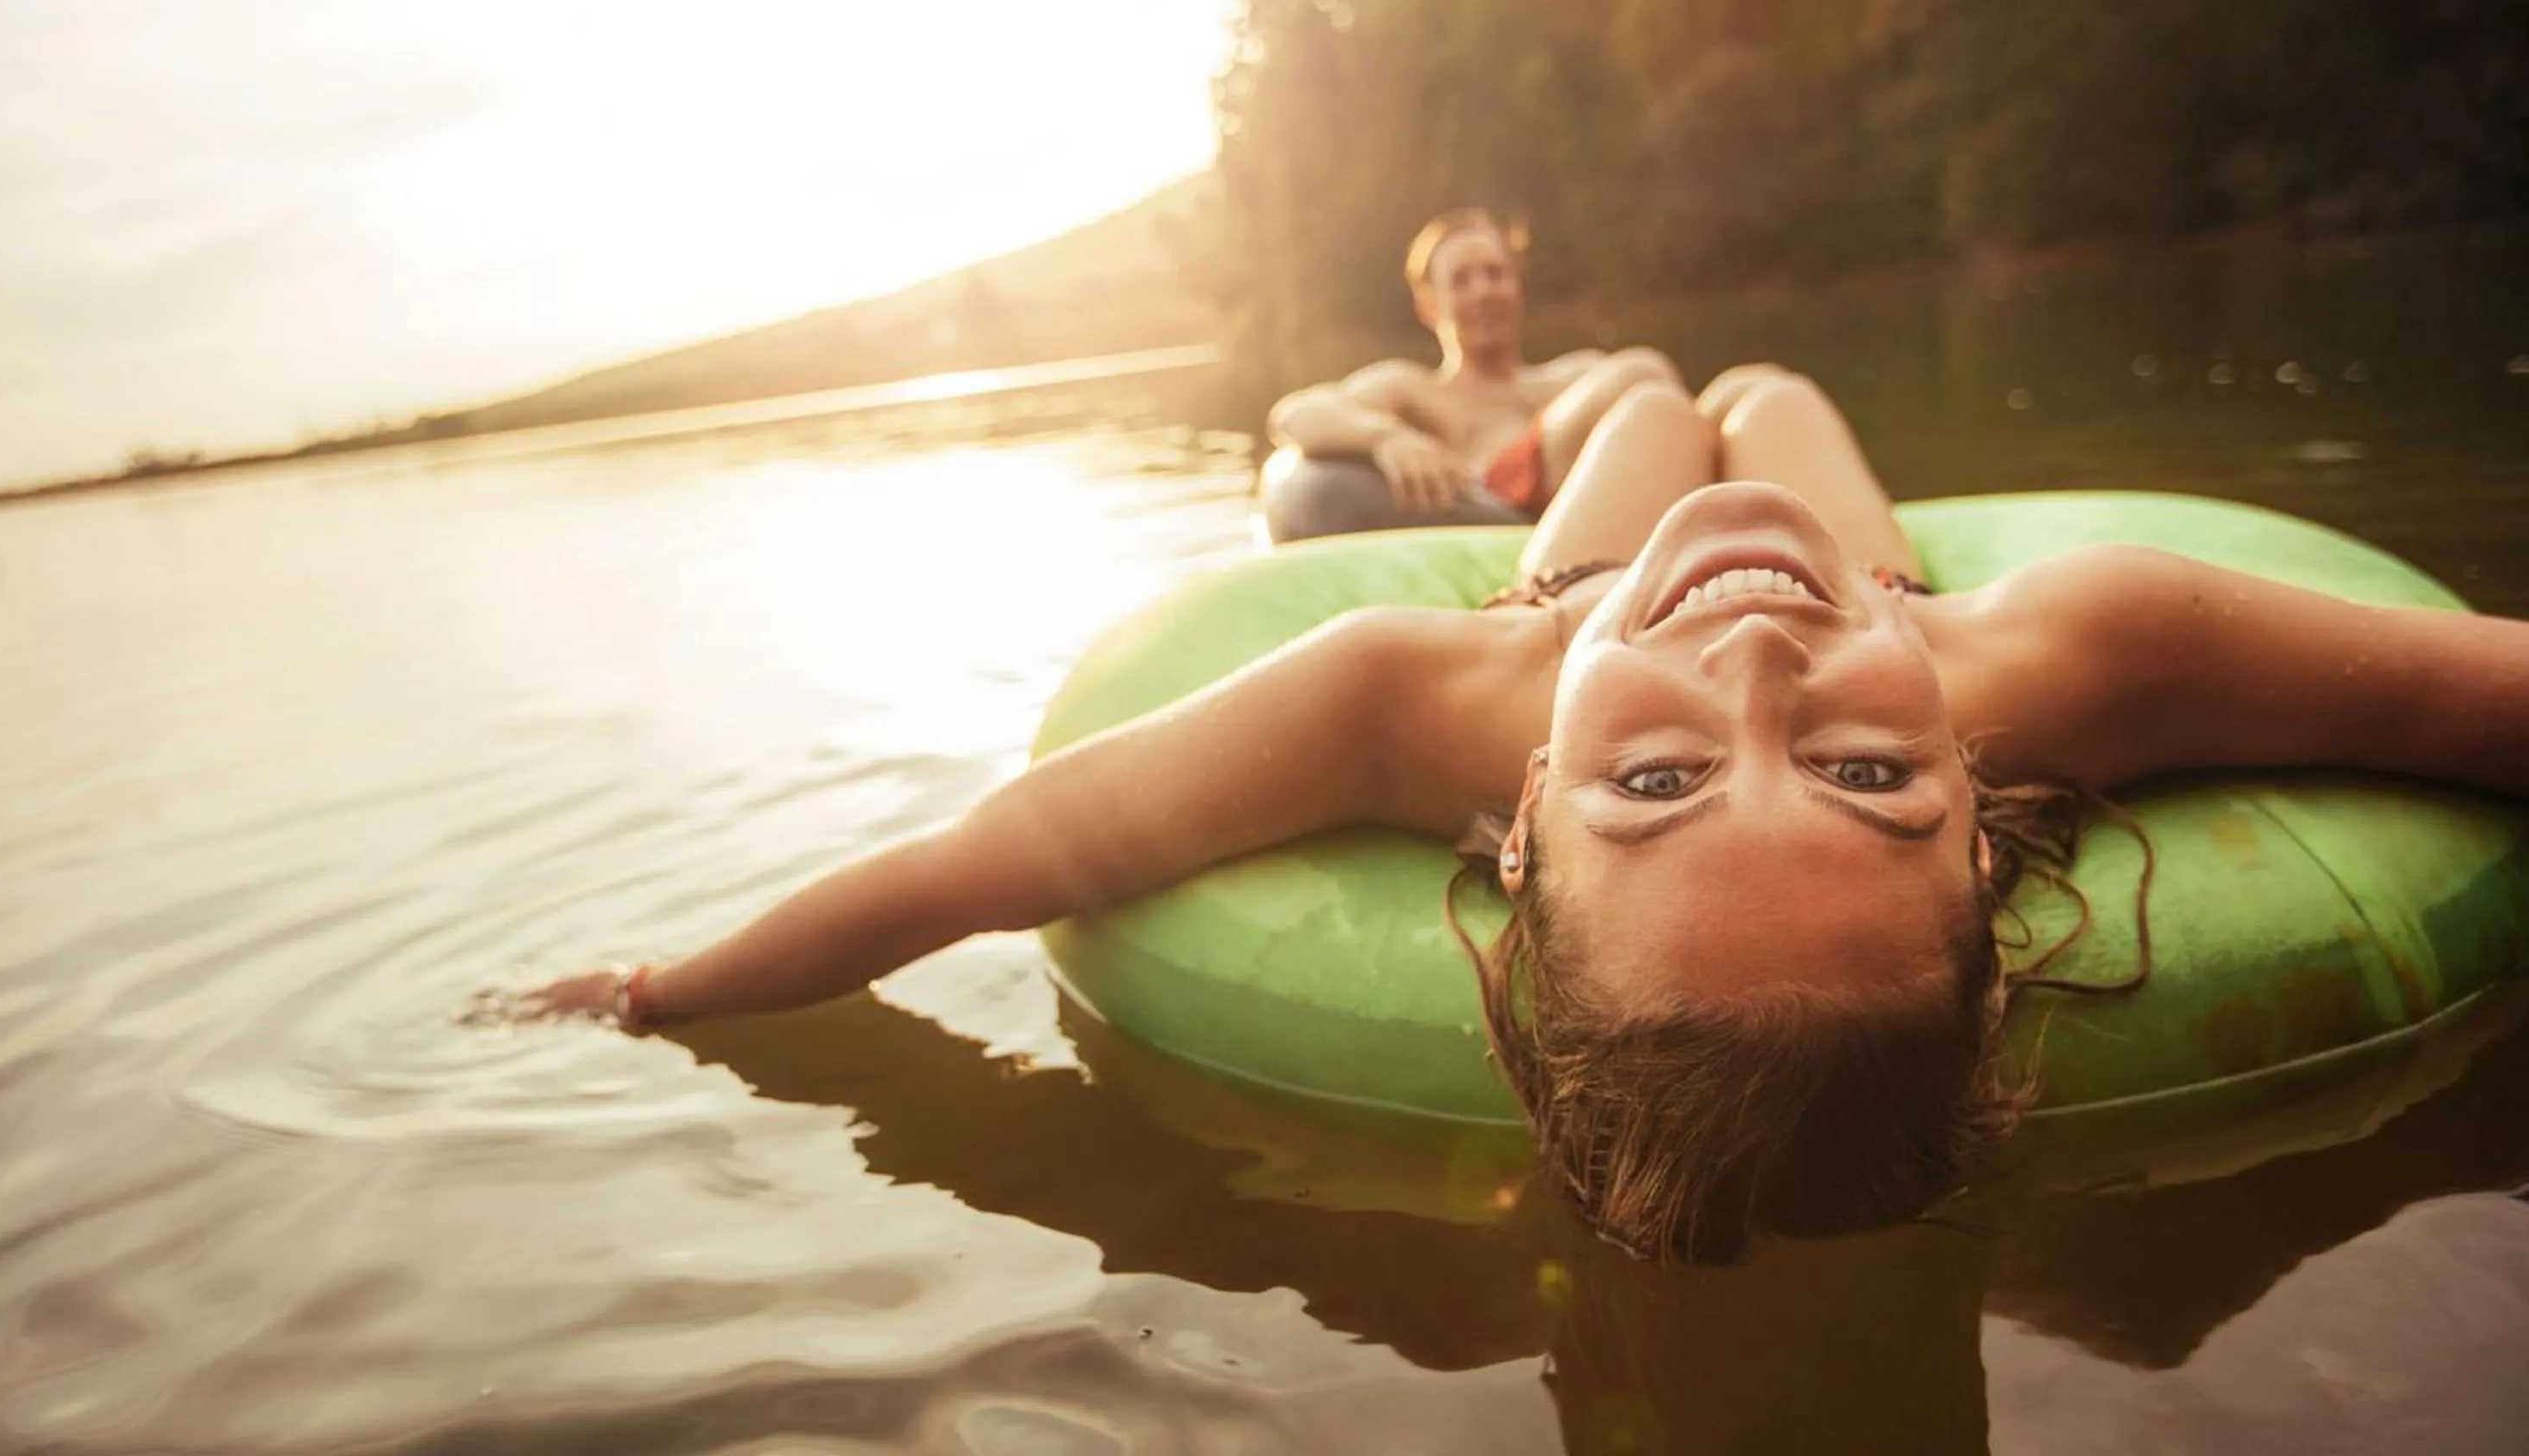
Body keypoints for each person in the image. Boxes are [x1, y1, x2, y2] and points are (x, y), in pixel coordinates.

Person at [507, 367, 2529, 1265]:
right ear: (1980, 814)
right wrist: (1834, 630)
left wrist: (661, 986)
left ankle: (1608, 416)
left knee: (1671, 413)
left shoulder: (1406, 699)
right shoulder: (2074, 653)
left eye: (1655, 789)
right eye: (1866, 775)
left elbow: (971, 868)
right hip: (1867, 574)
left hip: (1569, 603)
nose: (1754, 687)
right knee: (1741, 393)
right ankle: (1616, 396)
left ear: (1523, 828)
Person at [1258, 208, 1683, 541]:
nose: (1482, 291)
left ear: (1517, 286)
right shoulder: (1411, 388)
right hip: (1501, 503)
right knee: (1642, 372)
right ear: (1429, 305)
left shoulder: (1576, 374)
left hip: (1611, 493)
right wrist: (1386, 437)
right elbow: (1294, 414)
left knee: (1739, 393)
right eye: (1461, 281)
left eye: (1495, 274)